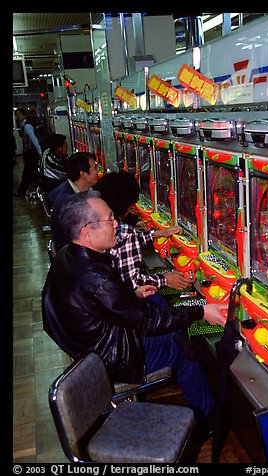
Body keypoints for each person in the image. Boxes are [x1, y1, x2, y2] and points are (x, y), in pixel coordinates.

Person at [41, 192, 228, 437]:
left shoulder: (67, 255)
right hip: (111, 358)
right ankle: (207, 421)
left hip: (88, 348)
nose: (117, 224)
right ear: (87, 231)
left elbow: (90, 304)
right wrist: (202, 311)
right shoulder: (97, 277)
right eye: (110, 220)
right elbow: (150, 321)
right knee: (184, 349)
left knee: (174, 329)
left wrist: (132, 296)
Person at [94, 171, 191, 296]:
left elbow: (121, 245)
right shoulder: (124, 232)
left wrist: (156, 234)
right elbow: (131, 283)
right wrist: (165, 279)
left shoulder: (94, 220)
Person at [49, 151, 99, 250]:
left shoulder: (80, 188)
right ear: (83, 174)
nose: (98, 171)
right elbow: (84, 235)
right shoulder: (68, 202)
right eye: (95, 168)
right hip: (74, 253)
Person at [14, 108, 43, 197]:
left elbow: (34, 139)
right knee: (31, 173)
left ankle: (21, 192)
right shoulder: (23, 125)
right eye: (16, 114)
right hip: (28, 153)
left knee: (29, 173)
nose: (17, 116)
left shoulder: (27, 126)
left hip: (31, 153)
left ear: (24, 115)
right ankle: (22, 192)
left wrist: (39, 152)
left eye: (19, 114)